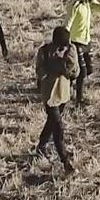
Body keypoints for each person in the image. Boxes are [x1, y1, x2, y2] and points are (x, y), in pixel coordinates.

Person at [35, 26, 79, 174]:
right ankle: (65, 162)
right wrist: (54, 63)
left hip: (63, 94)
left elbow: (75, 72)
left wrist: (67, 60)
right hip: (50, 96)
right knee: (58, 128)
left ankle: (41, 145)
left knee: (52, 122)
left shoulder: (70, 51)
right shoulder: (44, 52)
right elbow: (40, 73)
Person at [65, 0, 100, 105]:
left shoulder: (89, 3)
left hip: (86, 41)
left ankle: (69, 82)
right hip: (75, 42)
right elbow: (67, 24)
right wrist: (66, 43)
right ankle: (79, 99)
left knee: (89, 69)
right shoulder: (75, 5)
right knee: (82, 72)